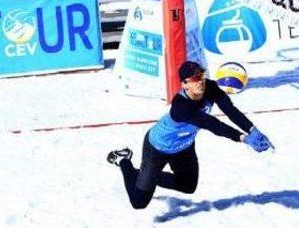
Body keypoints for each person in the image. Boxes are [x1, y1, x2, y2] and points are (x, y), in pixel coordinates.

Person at [107, 61, 274, 210]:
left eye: (201, 76)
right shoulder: (180, 106)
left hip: (184, 147)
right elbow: (211, 124)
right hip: (158, 147)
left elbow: (230, 111)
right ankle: (123, 160)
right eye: (194, 79)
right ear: (184, 84)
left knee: (188, 186)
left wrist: (252, 129)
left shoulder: (210, 87)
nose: (200, 81)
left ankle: (145, 177)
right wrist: (242, 138)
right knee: (139, 202)